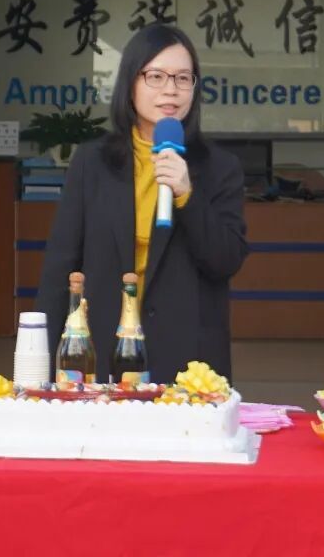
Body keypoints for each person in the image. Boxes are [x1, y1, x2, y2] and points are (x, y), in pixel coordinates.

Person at [35, 24, 249, 384]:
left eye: (183, 78)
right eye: (156, 76)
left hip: (188, 361)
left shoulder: (220, 167)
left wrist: (187, 195)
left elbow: (226, 260)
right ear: (130, 82)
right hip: (101, 351)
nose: (171, 89)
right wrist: (40, 367)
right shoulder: (92, 162)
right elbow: (60, 267)